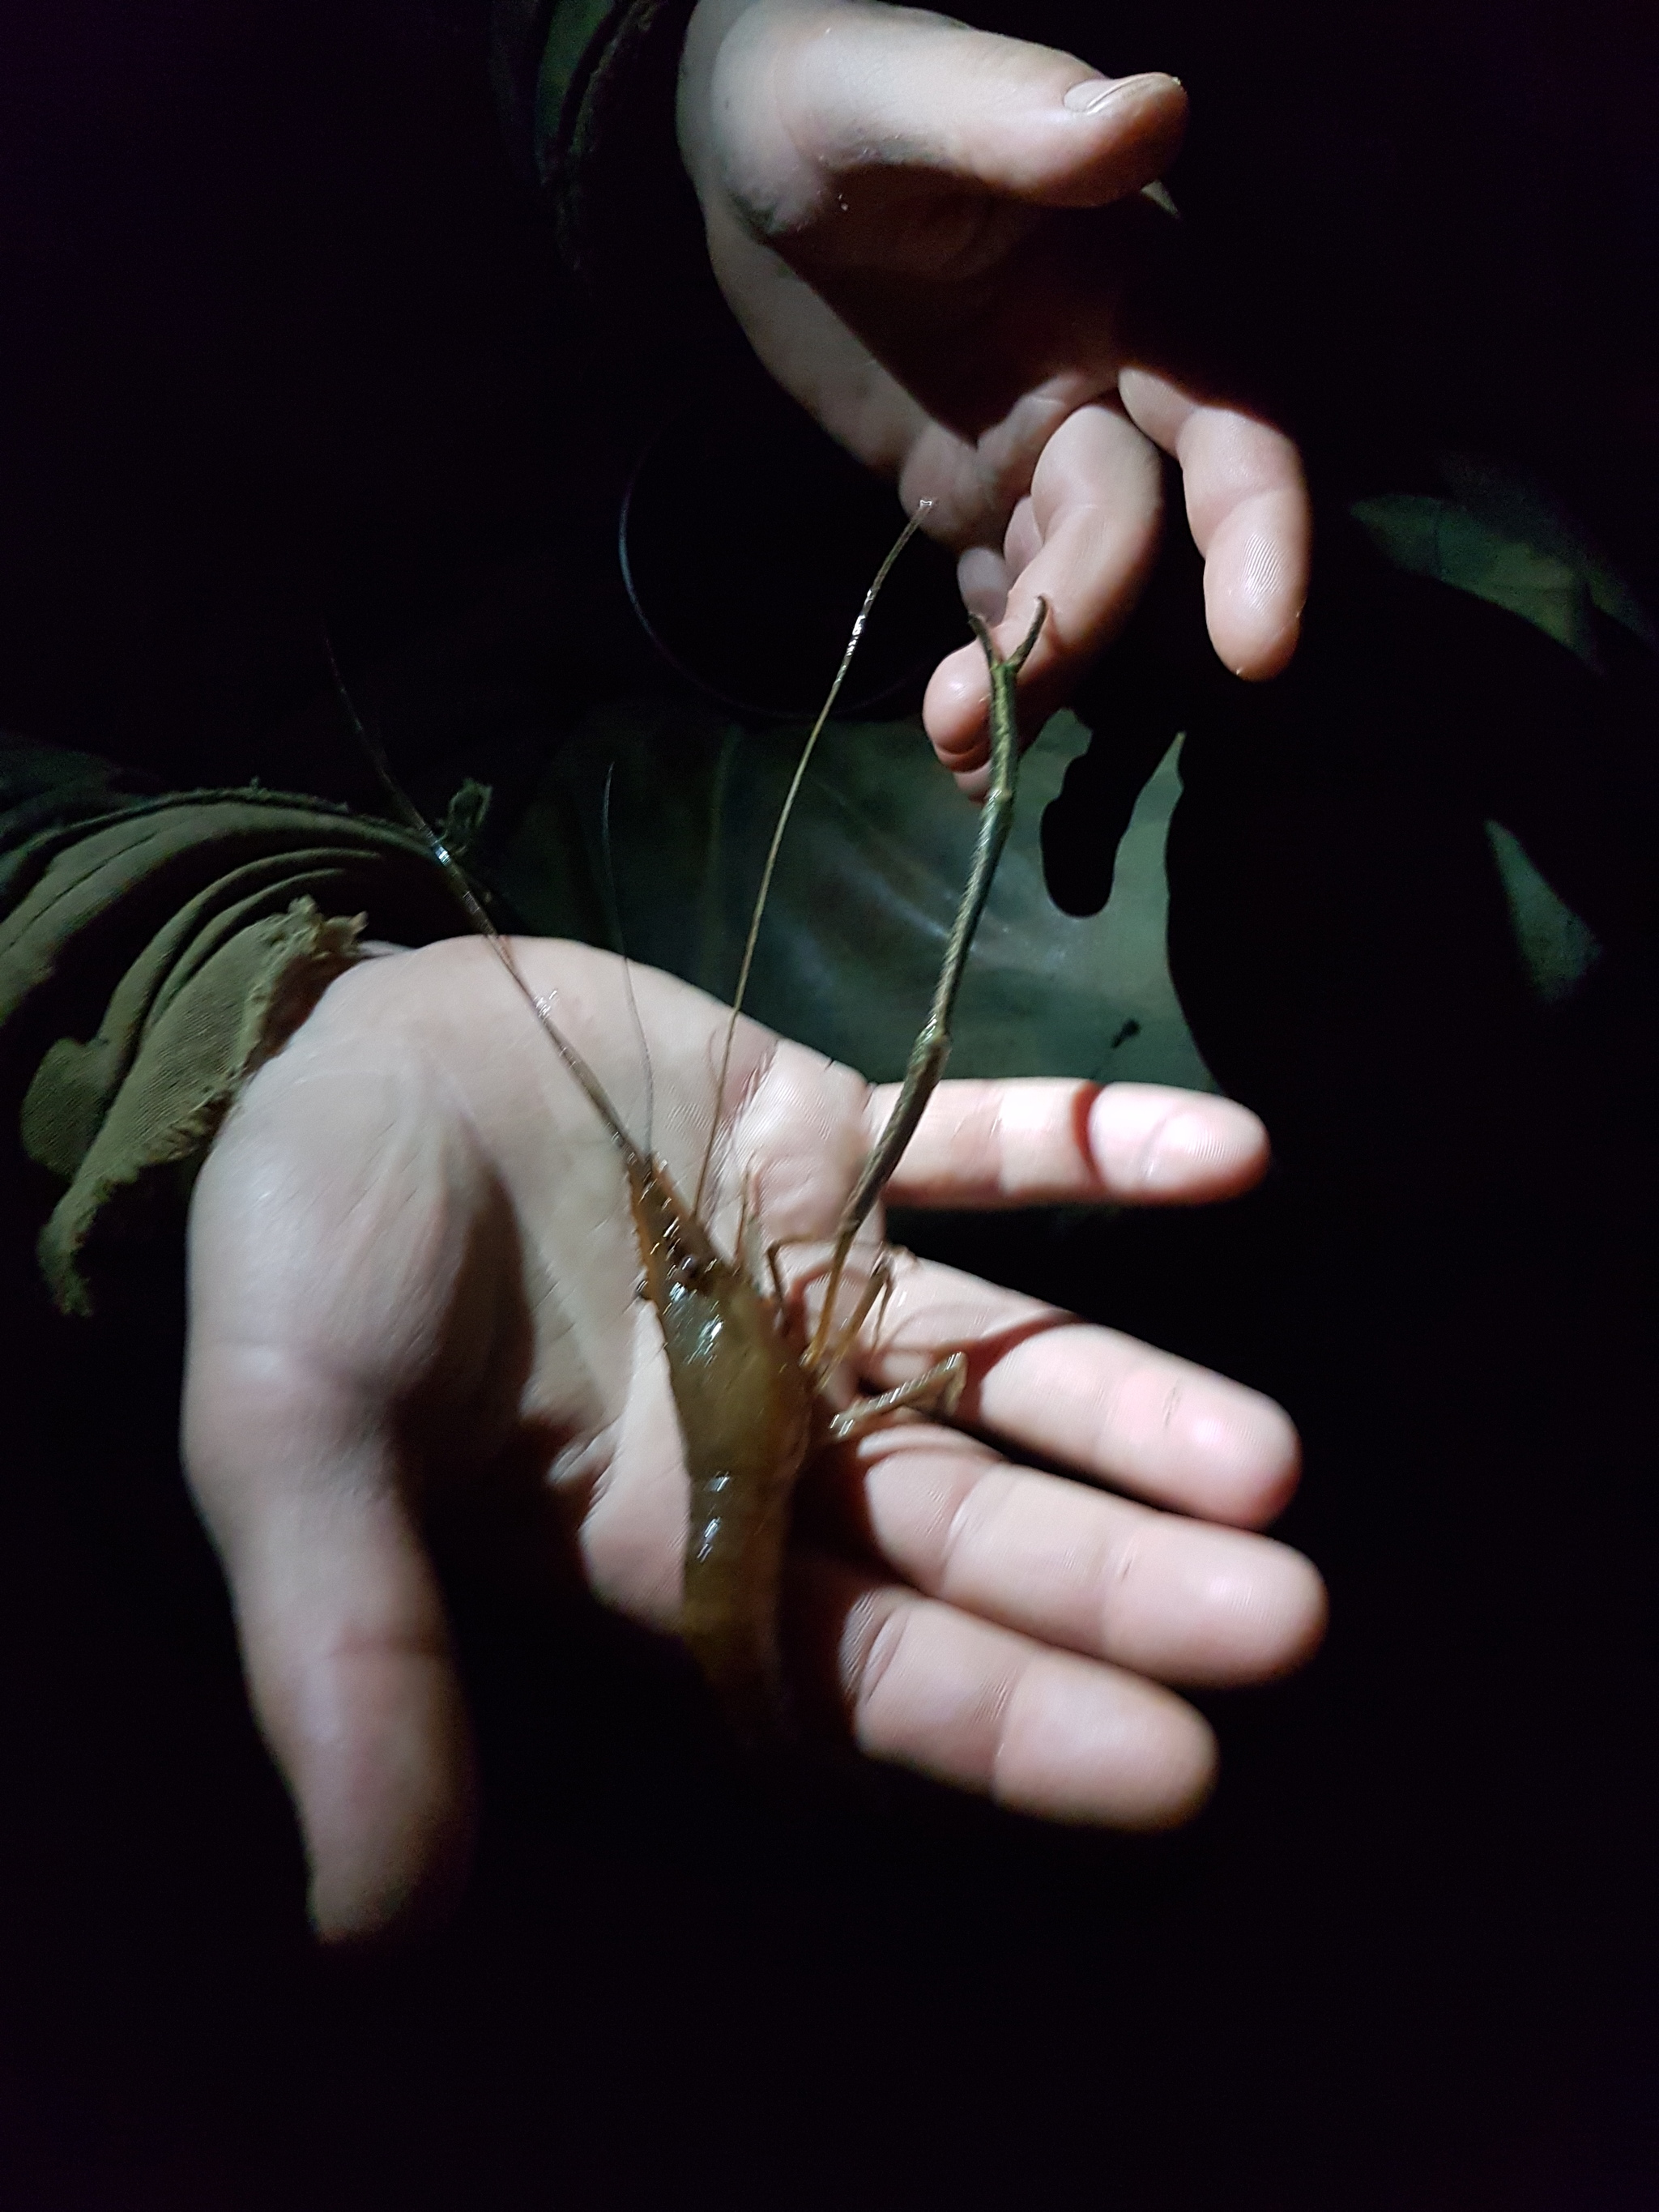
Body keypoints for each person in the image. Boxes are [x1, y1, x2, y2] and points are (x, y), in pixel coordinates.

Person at [2, 0, 1324, 1946]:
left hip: (569, 518)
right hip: (173, 827)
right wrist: (210, 986)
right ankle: (753, 1763)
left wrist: (659, 66)